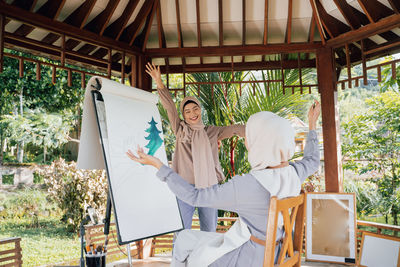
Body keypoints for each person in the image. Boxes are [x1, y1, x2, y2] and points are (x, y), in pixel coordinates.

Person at [127, 101, 321, 266]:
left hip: (251, 257)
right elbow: (312, 160)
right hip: (281, 253)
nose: (247, 142)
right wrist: (312, 125)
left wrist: (159, 165)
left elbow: (195, 196)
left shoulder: (248, 185)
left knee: (190, 253)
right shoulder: (295, 172)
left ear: (261, 144)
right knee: (186, 237)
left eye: (250, 138)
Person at [145, 63, 245, 232]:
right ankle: (181, 259)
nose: (192, 114)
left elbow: (235, 129)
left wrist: (261, 129)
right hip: (184, 188)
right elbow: (169, 106)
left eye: (195, 109)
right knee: (182, 233)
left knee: (209, 232)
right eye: (187, 111)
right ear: (183, 115)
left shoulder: (211, 132)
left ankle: (207, 259)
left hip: (208, 189)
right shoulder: (179, 129)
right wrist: (158, 82)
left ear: (200, 110)